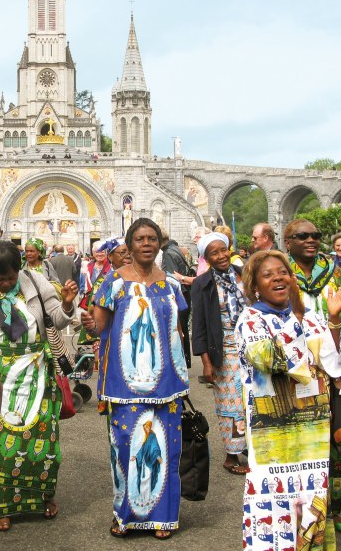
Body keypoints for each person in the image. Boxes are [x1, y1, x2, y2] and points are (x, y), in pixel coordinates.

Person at [236, 250, 341, 550]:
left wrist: (334, 319)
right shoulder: (250, 320)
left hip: (312, 431)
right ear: (254, 287)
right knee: (273, 505)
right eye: (268, 274)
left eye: (283, 272)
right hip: (271, 434)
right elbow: (272, 360)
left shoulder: (310, 318)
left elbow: (336, 363)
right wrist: (305, 334)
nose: (278, 277)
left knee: (312, 498)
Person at [92, 219, 189, 539]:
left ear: (159, 244)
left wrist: (182, 373)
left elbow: (177, 330)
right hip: (124, 385)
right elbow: (98, 327)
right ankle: (126, 517)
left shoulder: (172, 285)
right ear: (130, 246)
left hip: (167, 385)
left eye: (152, 238)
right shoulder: (113, 282)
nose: (146, 243)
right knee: (124, 451)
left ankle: (164, 519)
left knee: (166, 450)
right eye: (139, 239)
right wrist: (74, 311)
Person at [0, 241, 78, 531]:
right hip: (0, 377)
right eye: (0, 279)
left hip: (37, 373)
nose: (7, 284)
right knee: (2, 445)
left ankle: (43, 497)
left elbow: (58, 320)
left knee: (43, 442)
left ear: (19, 268)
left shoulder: (35, 281)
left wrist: (68, 302)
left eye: (10, 277)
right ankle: (3, 505)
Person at [284, 218, 341, 534]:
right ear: (288, 242)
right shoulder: (280, 276)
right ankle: (305, 510)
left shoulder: (333, 273)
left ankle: (337, 508)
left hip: (336, 373)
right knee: (305, 444)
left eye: (315, 236)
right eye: (302, 236)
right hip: (298, 375)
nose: (311, 240)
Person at [191, 231, 248, 474]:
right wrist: (206, 362)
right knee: (231, 403)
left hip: (252, 345)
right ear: (207, 258)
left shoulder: (244, 274)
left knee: (253, 401)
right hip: (223, 348)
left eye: (223, 249)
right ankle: (232, 454)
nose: (221, 255)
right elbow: (199, 326)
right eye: (214, 253)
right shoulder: (202, 284)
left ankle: (254, 450)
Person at [160, 230, 195, 367]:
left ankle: (180, 361)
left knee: (177, 327)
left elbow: (171, 277)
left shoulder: (168, 252)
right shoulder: (174, 248)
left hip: (179, 293)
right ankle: (185, 360)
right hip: (185, 292)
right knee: (182, 327)